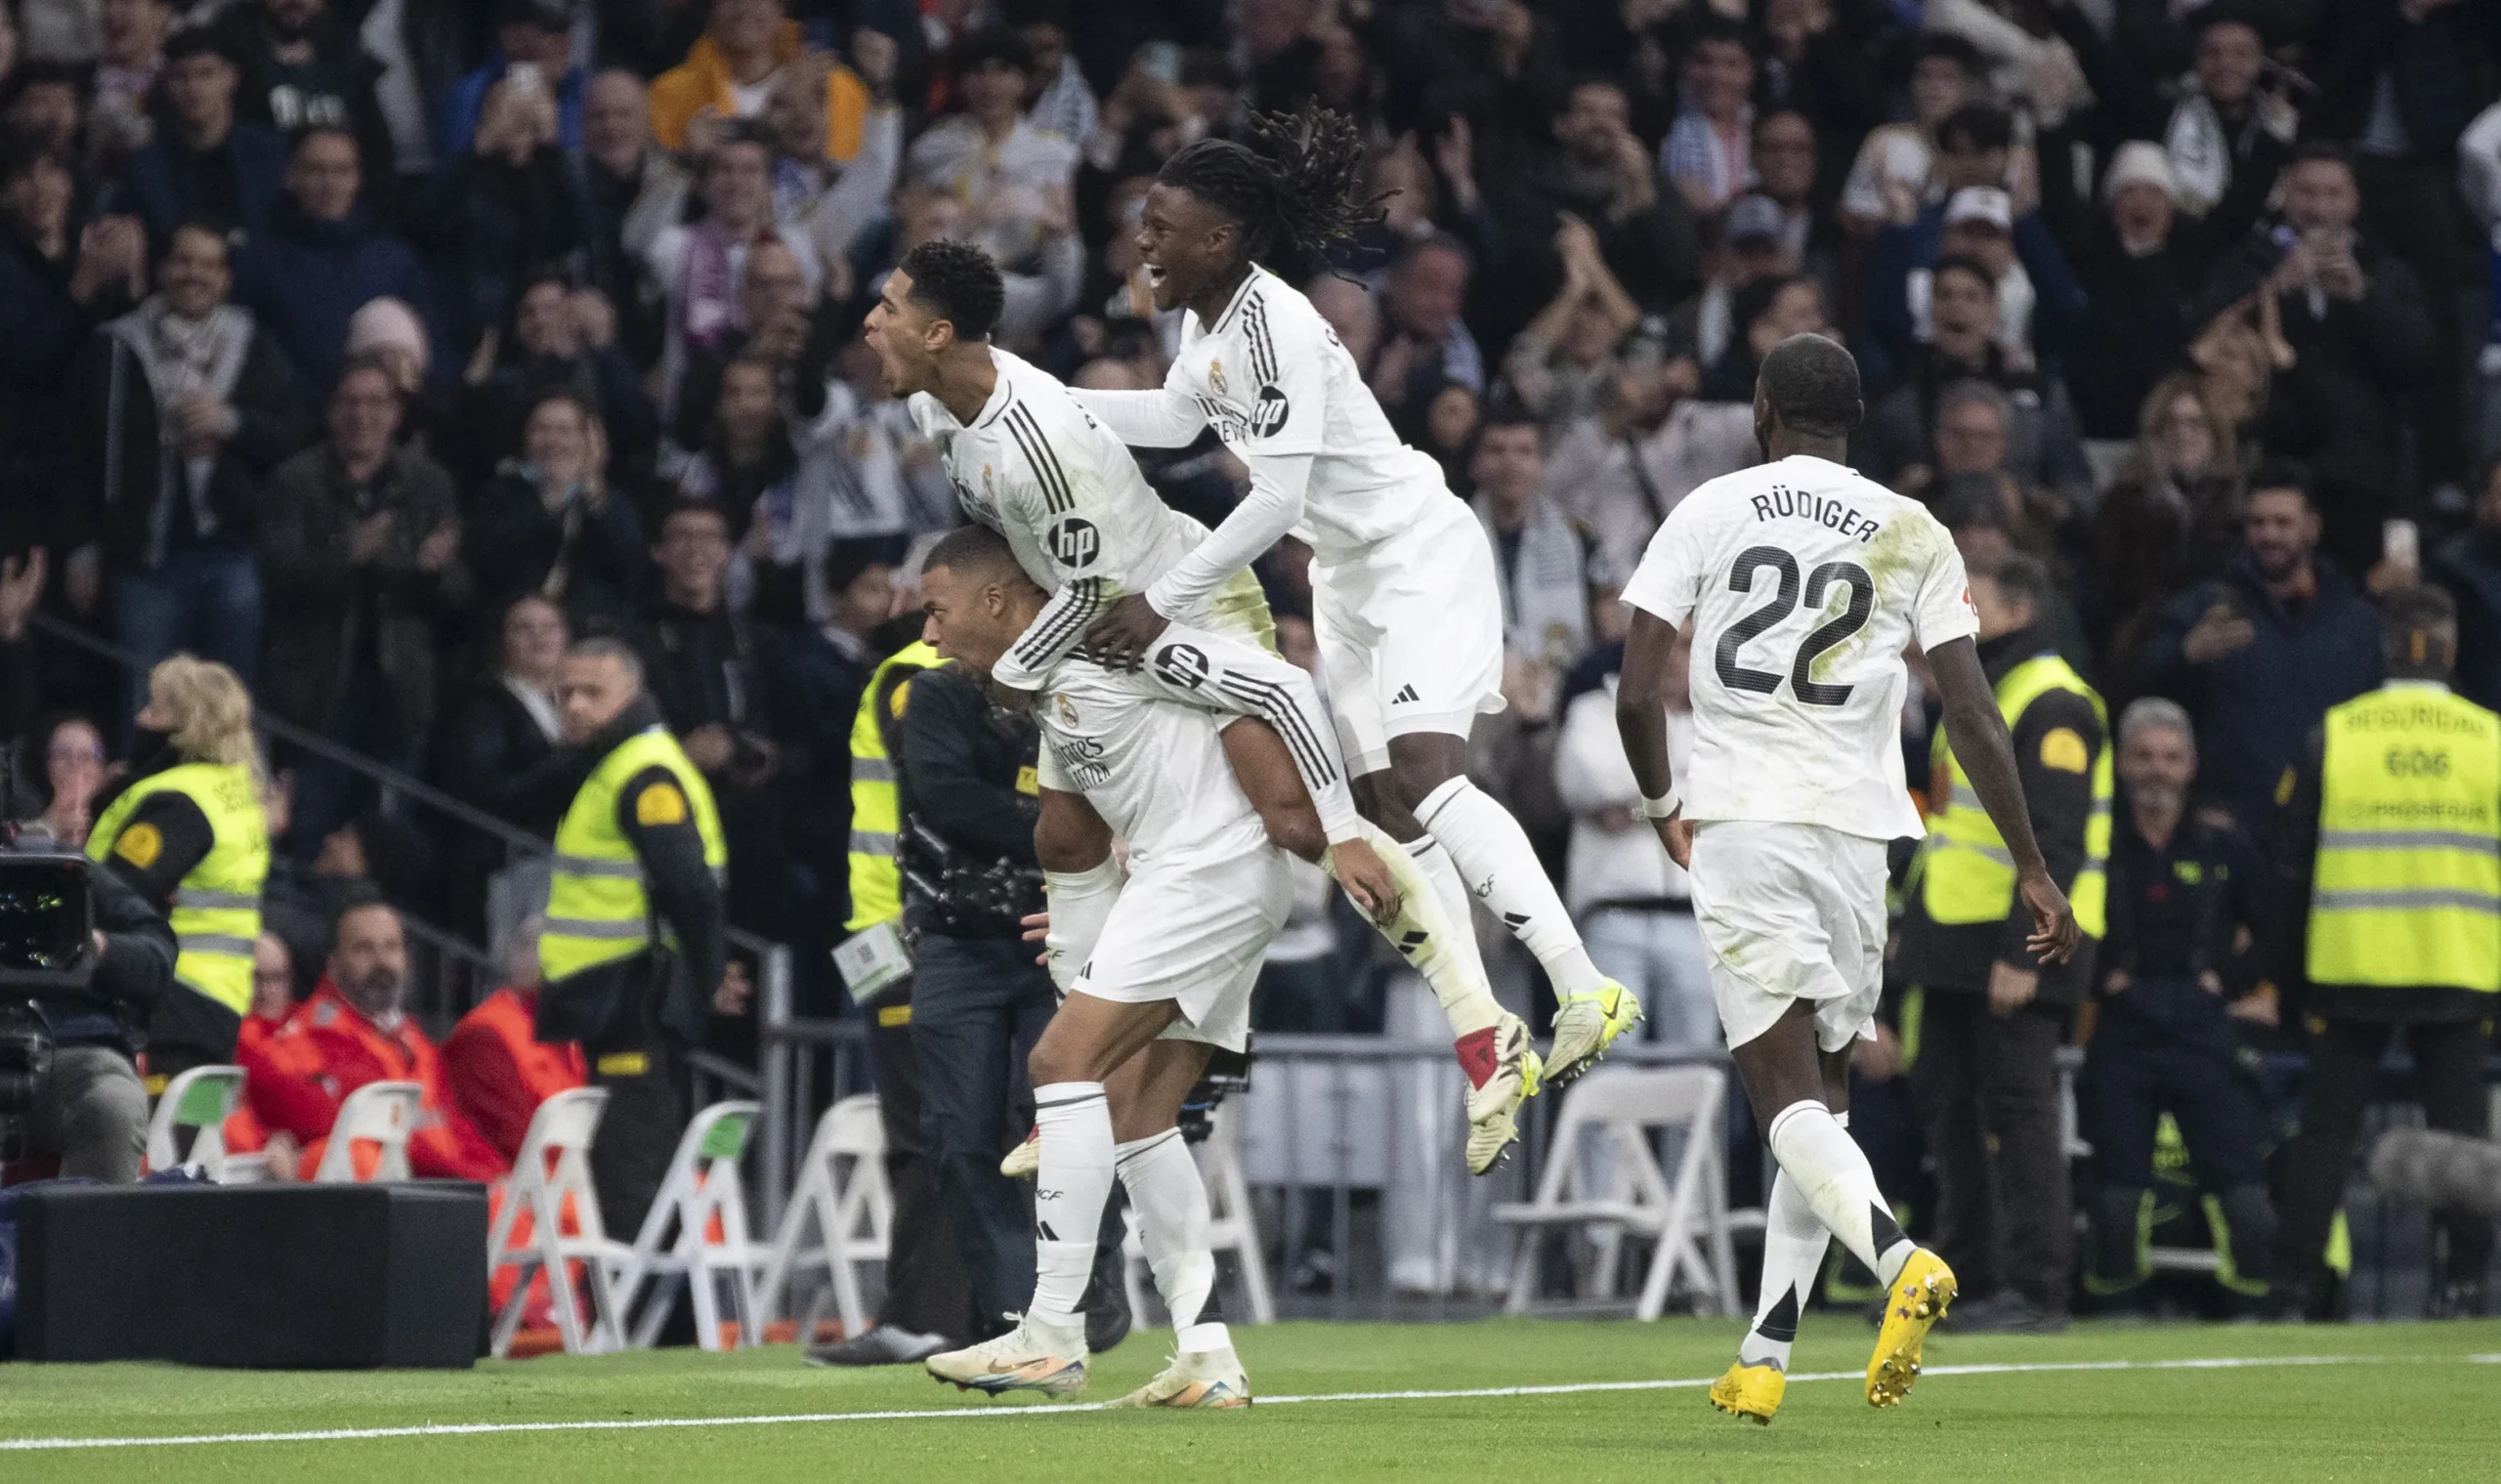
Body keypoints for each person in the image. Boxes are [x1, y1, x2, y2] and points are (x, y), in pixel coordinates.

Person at [863, 236, 1531, 1169]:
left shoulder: (1036, 449)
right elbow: (1029, 551)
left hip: (1176, 608)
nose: (869, 322)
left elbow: (1101, 591)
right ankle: (1077, 1087)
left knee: (1296, 821)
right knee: (1064, 839)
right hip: (1093, 638)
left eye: (887, 309)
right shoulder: (944, 405)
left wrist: (1017, 665)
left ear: (936, 333)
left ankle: (1478, 1019)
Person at [1069, 106, 1641, 1087]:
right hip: (1346, 575)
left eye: (1162, 225)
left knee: (1427, 770)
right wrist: (1027, 395)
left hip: (1414, 548)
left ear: (1220, 238)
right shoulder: (1209, 333)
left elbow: (1277, 496)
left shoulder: (1279, 322)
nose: (1143, 240)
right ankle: (1487, 1029)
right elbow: (1169, 417)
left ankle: (1582, 985)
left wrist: (1163, 598)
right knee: (1382, 805)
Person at [1613, 333, 2080, 1423]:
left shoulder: (1711, 509)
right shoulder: (1912, 530)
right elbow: (1970, 710)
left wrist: (1658, 806)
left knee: (1779, 1098)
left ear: (1763, 408)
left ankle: (1899, 1257)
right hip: (1859, 841)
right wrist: (2033, 866)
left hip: (1746, 821)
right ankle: (1766, 1348)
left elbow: (1640, 692)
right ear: (1857, 417)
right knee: (1825, 1096)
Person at [913, 524, 1403, 1407]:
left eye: (938, 610)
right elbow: (1065, 841)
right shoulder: (1051, 691)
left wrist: (1341, 833)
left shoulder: (1119, 648)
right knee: (1140, 1116)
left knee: (1061, 1065)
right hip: (1191, 888)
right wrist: (1075, 937)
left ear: (997, 600)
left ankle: (1051, 1333)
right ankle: (1206, 1354)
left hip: (1208, 877)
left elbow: (1284, 683)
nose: (930, 637)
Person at [2269, 585, 2499, 1321]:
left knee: (2326, 1135)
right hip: (2457, 964)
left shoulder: (2336, 732)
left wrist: (2284, 974)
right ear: (2450, 644)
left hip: (2350, 963)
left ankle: (2295, 1284)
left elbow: (2288, 866)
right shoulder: (2489, 737)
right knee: (2461, 1137)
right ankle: (2462, 1286)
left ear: (2388, 644)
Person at [1895, 551, 2109, 1336]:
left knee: (2019, 1114)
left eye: (1967, 598)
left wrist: (2025, 954)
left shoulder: (2051, 701)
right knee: (1949, 1110)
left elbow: (2057, 835)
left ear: (2014, 611)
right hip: (1953, 940)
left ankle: (2036, 1285)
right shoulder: (1979, 694)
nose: (1948, 610)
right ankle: (1968, 1274)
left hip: (2019, 944)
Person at [533, 637, 737, 1238]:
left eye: (592, 692)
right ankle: (648, 1314)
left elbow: (690, 890)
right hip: (615, 1000)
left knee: (631, 1170)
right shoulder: (615, 763)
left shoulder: (644, 771)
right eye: (564, 692)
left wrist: (703, 982)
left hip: (630, 998)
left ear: (632, 693)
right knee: (630, 1161)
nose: (574, 705)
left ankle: (647, 1318)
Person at [2082, 699, 2276, 1312]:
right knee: (2116, 1201)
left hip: (2203, 1032)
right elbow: (2055, 922)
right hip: (2122, 1034)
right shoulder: (2096, 843)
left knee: (2245, 1198)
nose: (2156, 771)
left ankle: (2247, 1319)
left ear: (2191, 765)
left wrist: (2230, 977)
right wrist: (2098, 978)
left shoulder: (2224, 846)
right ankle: (2115, 1317)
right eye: (2143, 757)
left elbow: (2277, 931)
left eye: (2170, 757)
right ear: (2121, 765)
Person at [68, 219, 304, 692]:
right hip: (143, 561)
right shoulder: (114, 346)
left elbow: (292, 437)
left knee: (232, 711)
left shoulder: (256, 346)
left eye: (208, 265)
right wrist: (82, 543)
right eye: (182, 261)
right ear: (161, 269)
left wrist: (231, 423)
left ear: (225, 279)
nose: (193, 274)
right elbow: (78, 452)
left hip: (232, 555)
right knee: (147, 710)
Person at [255, 355, 466, 842]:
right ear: (330, 412)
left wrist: (437, 572)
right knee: (309, 827)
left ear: (396, 414)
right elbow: (276, 571)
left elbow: (459, 595)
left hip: (400, 688)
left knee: (389, 837)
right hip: (314, 686)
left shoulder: (429, 483)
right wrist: (347, 554)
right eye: (349, 402)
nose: (362, 415)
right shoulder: (294, 480)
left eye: (376, 403)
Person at [2137, 472, 2383, 830]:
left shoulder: (2355, 619)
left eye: (2283, 523)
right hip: (2229, 823)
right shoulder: (2206, 606)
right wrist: (2186, 655)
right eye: (2257, 523)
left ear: (2312, 527)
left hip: (2333, 817)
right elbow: (2141, 680)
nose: (2269, 535)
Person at [84, 655, 270, 1085]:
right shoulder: (234, 794)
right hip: (217, 1007)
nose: (140, 718)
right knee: (190, 1137)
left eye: (154, 708)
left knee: (151, 1143)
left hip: (164, 1008)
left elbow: (117, 896)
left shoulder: (179, 803)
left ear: (187, 726)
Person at [240, 896, 507, 1183]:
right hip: (409, 1196)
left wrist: (500, 1177)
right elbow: (377, 1140)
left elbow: (453, 1126)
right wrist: (481, 1184)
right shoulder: (309, 1040)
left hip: (445, 1190)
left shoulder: (413, 1040)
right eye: (364, 949)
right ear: (333, 965)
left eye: (391, 947)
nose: (382, 961)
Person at [10, 833, 179, 1183]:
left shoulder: (56, 866)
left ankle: (86, 1238)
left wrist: (91, 945)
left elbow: (156, 953)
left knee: (112, 1105)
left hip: (57, 1053)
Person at [230, 125, 439, 394]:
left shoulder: (395, 262)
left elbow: (429, 351)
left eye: (341, 171)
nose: (329, 184)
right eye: (317, 170)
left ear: (358, 178)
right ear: (291, 176)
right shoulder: (257, 262)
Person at [115, 28, 290, 249]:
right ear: (167, 84)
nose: (193, 88)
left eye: (205, 74)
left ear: (231, 78)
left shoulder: (270, 155)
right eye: (181, 76)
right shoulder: (145, 168)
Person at [445, 916, 586, 1166]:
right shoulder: (484, 1035)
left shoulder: (566, 1036)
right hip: (526, 1188)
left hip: (568, 1183)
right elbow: (514, 1141)